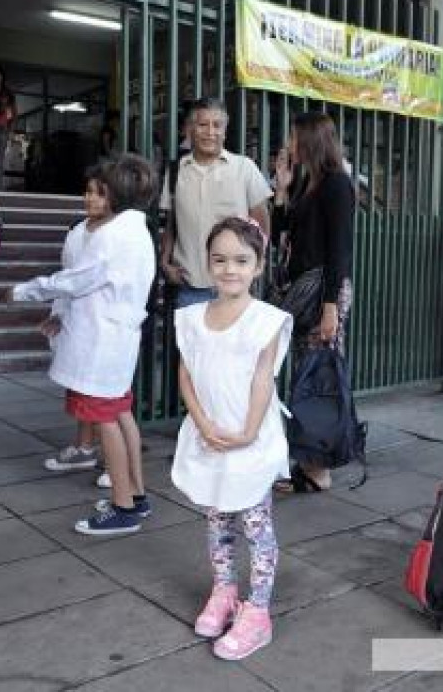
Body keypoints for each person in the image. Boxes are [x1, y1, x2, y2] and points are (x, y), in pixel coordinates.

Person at [11, 155, 157, 535]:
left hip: (103, 339)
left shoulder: (113, 236)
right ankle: (136, 497)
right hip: (115, 337)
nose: (93, 197)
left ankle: (123, 507)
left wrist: (25, 290)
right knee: (119, 412)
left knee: (105, 417)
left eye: (102, 190)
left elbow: (77, 280)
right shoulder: (134, 230)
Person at [171, 216, 291, 661]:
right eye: (219, 260)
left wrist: (246, 432)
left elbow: (263, 379)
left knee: (256, 526)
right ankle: (224, 590)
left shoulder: (266, 320)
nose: (229, 269)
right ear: (207, 263)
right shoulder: (192, 318)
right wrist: (202, 423)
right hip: (209, 434)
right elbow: (186, 375)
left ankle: (258, 612)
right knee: (216, 518)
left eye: (241, 260)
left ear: (258, 265)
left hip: (249, 439)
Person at [270, 112, 355, 492]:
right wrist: (283, 190)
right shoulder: (311, 183)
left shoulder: (337, 185)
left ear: (309, 140)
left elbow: (340, 251)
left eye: (293, 137)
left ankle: (319, 469)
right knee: (309, 377)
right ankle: (310, 461)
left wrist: (330, 308)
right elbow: (280, 237)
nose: (288, 145)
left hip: (324, 293)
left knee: (319, 379)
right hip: (305, 290)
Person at [160, 97, 271, 308]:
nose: (210, 132)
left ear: (225, 131)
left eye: (217, 125)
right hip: (189, 288)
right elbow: (172, 223)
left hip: (234, 288)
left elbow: (261, 223)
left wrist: (256, 265)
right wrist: (165, 261)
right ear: (190, 130)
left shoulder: (244, 168)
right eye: (203, 125)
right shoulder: (176, 171)